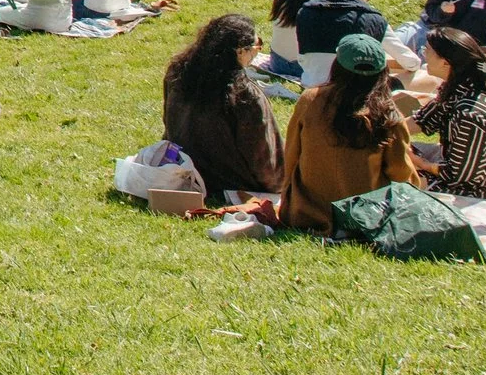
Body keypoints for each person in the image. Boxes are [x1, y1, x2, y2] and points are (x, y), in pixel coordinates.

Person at [278, 33, 417, 231]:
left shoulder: (310, 100)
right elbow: (400, 172)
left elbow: (291, 154)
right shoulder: (389, 115)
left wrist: (287, 197)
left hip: (305, 213)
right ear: (383, 72)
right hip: (366, 219)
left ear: (337, 66)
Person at [162, 13, 284, 197]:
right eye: (256, 45)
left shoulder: (177, 73)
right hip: (232, 184)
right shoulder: (245, 95)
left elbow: (168, 124)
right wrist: (282, 186)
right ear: (240, 52)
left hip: (184, 169)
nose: (257, 51)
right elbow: (262, 159)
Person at [410, 28, 486, 199]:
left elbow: (459, 176)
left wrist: (420, 162)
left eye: (427, 50)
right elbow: (420, 121)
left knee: (399, 178)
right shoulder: (457, 89)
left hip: (478, 194)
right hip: (454, 172)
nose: (423, 54)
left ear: (445, 63)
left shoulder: (469, 115)